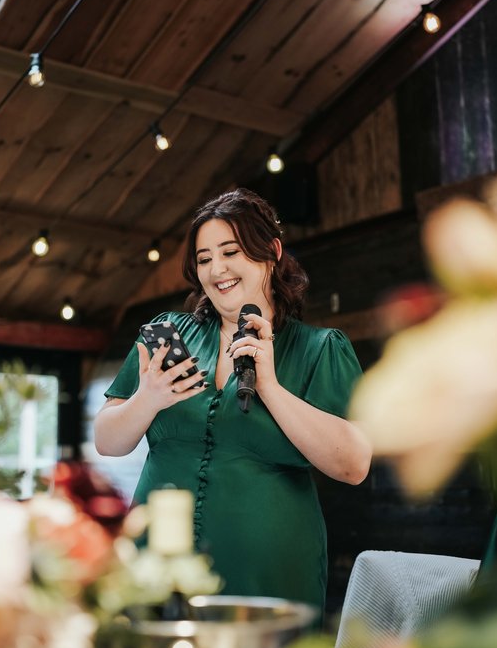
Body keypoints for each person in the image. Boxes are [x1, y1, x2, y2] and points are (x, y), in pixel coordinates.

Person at [94, 188, 372, 613]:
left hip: (268, 572)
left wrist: (271, 389)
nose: (216, 269)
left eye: (230, 252)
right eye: (204, 259)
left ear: (272, 252)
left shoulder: (319, 349)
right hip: (157, 565)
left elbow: (354, 465)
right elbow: (107, 442)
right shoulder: (170, 334)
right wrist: (147, 398)